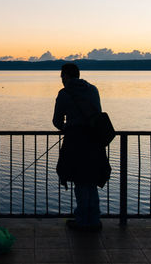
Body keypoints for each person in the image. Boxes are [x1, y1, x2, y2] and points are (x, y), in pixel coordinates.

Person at [53, 63, 108, 231]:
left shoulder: (64, 93)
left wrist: (67, 128)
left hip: (75, 142)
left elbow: (57, 121)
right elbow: (97, 114)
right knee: (90, 180)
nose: (61, 79)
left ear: (66, 76)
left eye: (62, 76)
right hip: (94, 141)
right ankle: (94, 219)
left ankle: (83, 220)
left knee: (80, 181)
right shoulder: (93, 90)